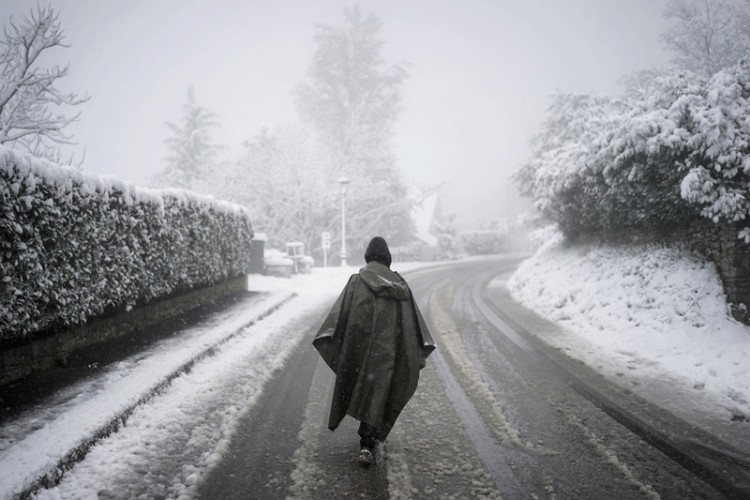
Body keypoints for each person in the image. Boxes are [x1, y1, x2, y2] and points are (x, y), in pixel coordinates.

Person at [313, 236, 435, 467]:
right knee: (381, 389)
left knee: (364, 386)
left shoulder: (356, 282)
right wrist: (404, 349)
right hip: (390, 353)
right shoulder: (400, 284)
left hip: (361, 350)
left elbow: (340, 318)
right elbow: (411, 325)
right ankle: (368, 437)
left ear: (368, 257)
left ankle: (367, 442)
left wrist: (343, 342)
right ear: (388, 258)